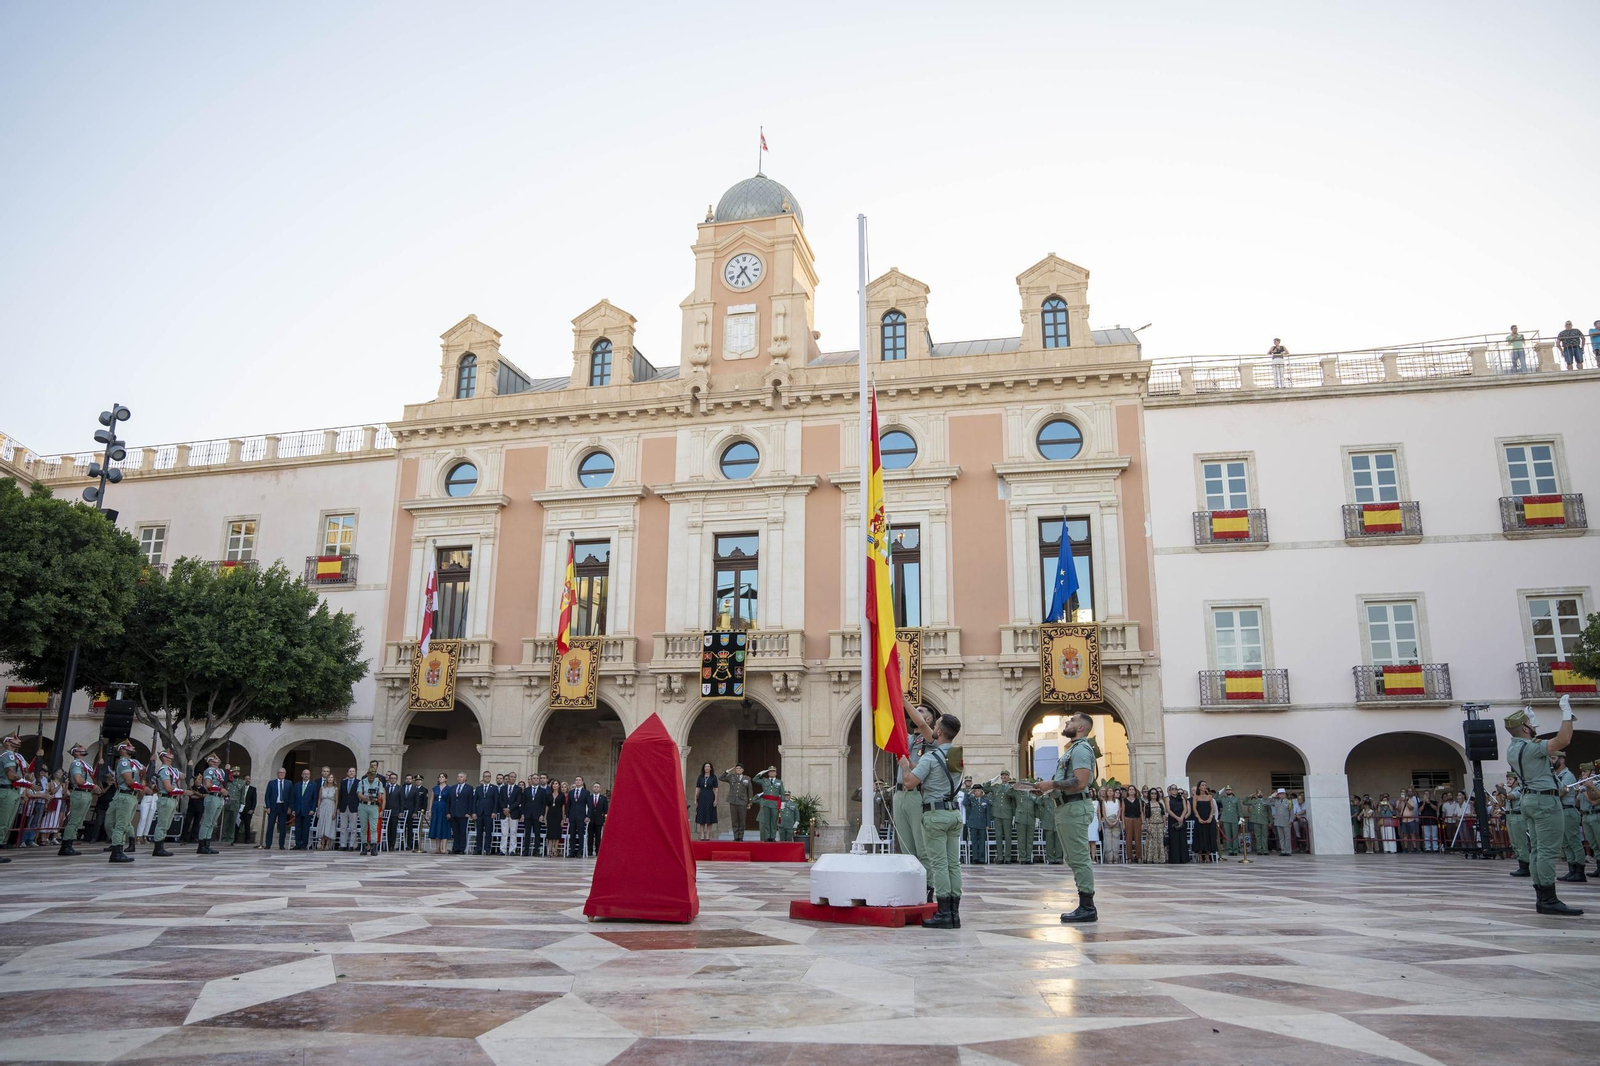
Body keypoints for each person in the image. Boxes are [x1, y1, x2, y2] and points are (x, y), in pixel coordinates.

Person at [1505, 698, 1582, 915]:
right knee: (1547, 851)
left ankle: (1542, 897)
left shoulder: (1513, 748)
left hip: (1529, 800)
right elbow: (1563, 739)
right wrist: (1566, 713)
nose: (1533, 725)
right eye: (1530, 722)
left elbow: (1533, 744)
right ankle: (1549, 900)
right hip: (1545, 801)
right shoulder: (1531, 748)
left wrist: (1533, 726)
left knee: (1538, 850)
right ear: (1524, 727)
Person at [897, 711, 964, 930]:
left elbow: (909, 783)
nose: (933, 728)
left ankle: (943, 912)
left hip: (935, 815)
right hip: (953, 813)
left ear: (940, 731)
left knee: (939, 864)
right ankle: (954, 913)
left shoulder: (929, 757)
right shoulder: (955, 755)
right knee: (953, 864)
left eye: (936, 725)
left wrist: (906, 766)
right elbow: (936, 775)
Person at [1030, 711, 1098, 923]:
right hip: (1066, 807)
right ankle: (1085, 904)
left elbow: (1080, 782)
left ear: (1081, 728)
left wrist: (1051, 784)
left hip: (1074, 807)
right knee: (1074, 858)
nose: (1067, 721)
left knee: (1079, 858)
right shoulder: (1072, 750)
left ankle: (1088, 906)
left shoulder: (1081, 750)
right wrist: (1047, 789)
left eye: (1073, 720)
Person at [103, 740, 143, 864]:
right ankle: (116, 852)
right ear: (123, 749)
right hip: (126, 795)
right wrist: (143, 788)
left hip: (129, 796)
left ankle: (118, 850)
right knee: (120, 825)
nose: (133, 748)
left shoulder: (133, 763)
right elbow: (129, 781)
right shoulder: (125, 762)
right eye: (129, 747)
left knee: (122, 824)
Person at [58, 743, 97, 856]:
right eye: (80, 748)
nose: (83, 748)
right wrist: (93, 786)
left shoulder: (83, 764)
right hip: (80, 793)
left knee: (78, 821)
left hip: (86, 793)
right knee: (74, 820)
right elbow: (78, 779)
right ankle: (66, 846)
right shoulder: (76, 763)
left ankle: (69, 843)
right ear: (75, 752)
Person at [1552, 753, 1585, 882]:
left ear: (1562, 759)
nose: (1551, 761)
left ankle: (1580, 870)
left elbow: (1562, 791)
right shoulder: (1555, 775)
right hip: (1560, 811)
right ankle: (1572, 869)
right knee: (1566, 843)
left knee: (1574, 841)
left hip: (1568, 810)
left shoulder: (1567, 775)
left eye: (1554, 758)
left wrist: (1549, 795)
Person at [147, 750, 186, 857]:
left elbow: (184, 776)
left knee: (166, 824)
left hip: (172, 799)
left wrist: (190, 767)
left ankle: (160, 846)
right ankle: (158, 848)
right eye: (169, 754)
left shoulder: (172, 770)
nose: (172, 754)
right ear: (164, 757)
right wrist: (183, 792)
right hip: (166, 798)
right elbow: (168, 787)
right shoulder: (164, 770)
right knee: (162, 824)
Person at [355, 764, 385, 855]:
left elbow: (380, 794)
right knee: (363, 827)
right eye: (370, 775)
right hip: (363, 805)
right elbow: (359, 793)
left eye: (373, 775)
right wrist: (365, 797)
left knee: (373, 827)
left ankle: (373, 846)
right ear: (367, 774)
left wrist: (376, 797)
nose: (371, 777)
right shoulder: (362, 782)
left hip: (373, 806)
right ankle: (364, 846)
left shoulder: (379, 783)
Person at [988, 771, 1017, 864]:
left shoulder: (1011, 788)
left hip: (1007, 814)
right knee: (998, 836)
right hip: (997, 814)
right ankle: (1000, 857)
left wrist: (1010, 789)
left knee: (1008, 836)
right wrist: (992, 780)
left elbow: (1013, 796)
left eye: (1006, 776)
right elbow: (985, 787)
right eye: (1003, 776)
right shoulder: (996, 787)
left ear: (1009, 777)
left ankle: (1008, 857)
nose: (1004, 777)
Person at [754, 765, 786, 845]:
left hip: (775, 804)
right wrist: (762, 772)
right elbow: (755, 779)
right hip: (766, 803)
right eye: (770, 771)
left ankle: (773, 837)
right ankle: (767, 837)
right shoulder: (764, 781)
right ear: (768, 773)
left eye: (773, 771)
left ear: (776, 773)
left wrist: (782, 803)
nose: (772, 772)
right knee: (767, 821)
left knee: (774, 822)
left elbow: (782, 793)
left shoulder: (779, 782)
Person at [718, 763, 752, 841]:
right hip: (733, 801)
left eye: (740, 768)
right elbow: (720, 778)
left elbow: (750, 791)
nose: (738, 770)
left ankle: (740, 837)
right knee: (735, 820)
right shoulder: (731, 777)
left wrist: (750, 802)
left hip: (742, 801)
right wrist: (727, 771)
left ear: (743, 770)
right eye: (737, 768)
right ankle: (736, 836)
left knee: (742, 820)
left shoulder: (747, 778)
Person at [260, 768, 290, 849]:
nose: (281, 774)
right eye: (280, 772)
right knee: (270, 826)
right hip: (273, 806)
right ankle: (268, 844)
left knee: (282, 827)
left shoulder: (289, 783)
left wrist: (290, 807)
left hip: (283, 807)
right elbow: (267, 796)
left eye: (283, 772)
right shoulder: (271, 783)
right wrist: (268, 806)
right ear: (277, 773)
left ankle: (281, 845)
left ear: (285, 773)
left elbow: (291, 796)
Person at [1505, 772, 1529, 874]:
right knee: (1514, 843)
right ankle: (1521, 865)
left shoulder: (1520, 789)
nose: (1508, 781)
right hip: (1509, 816)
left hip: (1517, 816)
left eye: (1510, 779)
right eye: (1508, 779)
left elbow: (1511, 797)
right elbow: (1502, 803)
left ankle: (1525, 867)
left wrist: (1502, 792)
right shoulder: (1511, 791)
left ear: (1516, 780)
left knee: (1520, 842)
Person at [290, 768, 318, 849]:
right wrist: (293, 809)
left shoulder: (313, 785)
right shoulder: (297, 785)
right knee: (298, 828)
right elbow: (293, 798)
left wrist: (313, 809)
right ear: (302, 775)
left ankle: (304, 845)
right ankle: (298, 844)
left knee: (306, 828)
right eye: (304, 774)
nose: (306, 775)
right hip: (298, 810)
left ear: (310, 775)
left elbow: (314, 798)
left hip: (308, 810)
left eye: (308, 774)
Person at [567, 776, 593, 857]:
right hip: (572, 816)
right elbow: (568, 805)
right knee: (572, 834)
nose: (578, 781)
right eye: (576, 780)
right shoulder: (571, 792)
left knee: (581, 834)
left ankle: (580, 851)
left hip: (581, 816)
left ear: (582, 782)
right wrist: (567, 816)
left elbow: (590, 806)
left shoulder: (586, 792)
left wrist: (588, 816)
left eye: (579, 780)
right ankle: (572, 851)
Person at [965, 783, 991, 864]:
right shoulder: (971, 800)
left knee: (982, 841)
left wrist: (988, 824)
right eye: (975, 791)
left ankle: (982, 858)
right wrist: (969, 793)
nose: (976, 792)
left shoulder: (985, 801)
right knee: (974, 841)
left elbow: (988, 814)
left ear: (981, 792)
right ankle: (975, 858)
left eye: (978, 791)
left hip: (982, 823)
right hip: (973, 823)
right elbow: (965, 803)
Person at [1192, 781, 1218, 862]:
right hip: (1199, 817)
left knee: (1208, 835)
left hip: (1208, 817)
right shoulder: (1196, 797)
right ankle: (1200, 855)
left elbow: (1212, 808)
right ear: (1199, 787)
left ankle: (1207, 855)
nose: (1204, 786)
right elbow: (1194, 808)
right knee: (1200, 835)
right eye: (1202, 785)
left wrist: (1210, 817)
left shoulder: (1209, 796)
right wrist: (1199, 818)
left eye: (1205, 785)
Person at [694, 762, 719, 841]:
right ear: (704, 768)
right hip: (702, 797)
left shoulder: (713, 777)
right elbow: (697, 788)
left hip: (710, 797)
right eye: (705, 766)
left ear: (710, 768)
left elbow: (716, 789)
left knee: (709, 815)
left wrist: (715, 800)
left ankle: (708, 834)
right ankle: (702, 834)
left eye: (708, 766)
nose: (707, 768)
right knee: (701, 815)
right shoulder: (700, 777)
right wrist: (695, 799)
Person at [336, 768, 360, 850]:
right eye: (350, 771)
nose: (351, 773)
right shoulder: (343, 782)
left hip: (353, 807)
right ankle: (343, 845)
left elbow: (359, 796)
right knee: (343, 827)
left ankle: (352, 845)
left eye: (353, 771)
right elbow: (340, 795)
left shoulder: (358, 782)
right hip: (343, 806)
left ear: (355, 773)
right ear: (347, 773)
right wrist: (338, 807)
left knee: (353, 828)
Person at [1216, 785, 1241, 858]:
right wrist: (1221, 791)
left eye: (1229, 790)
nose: (1228, 791)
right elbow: (1215, 798)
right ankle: (1230, 850)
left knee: (1234, 835)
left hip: (1234, 818)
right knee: (1228, 835)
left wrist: (1241, 817)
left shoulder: (1236, 799)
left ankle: (1235, 850)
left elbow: (1239, 809)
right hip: (1226, 818)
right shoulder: (1223, 798)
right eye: (1227, 790)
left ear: (1232, 791)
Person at [222, 766, 244, 845]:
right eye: (234, 772)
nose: (236, 773)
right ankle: (224, 838)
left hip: (235, 804)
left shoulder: (242, 782)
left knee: (232, 822)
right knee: (225, 822)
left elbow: (242, 794)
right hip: (227, 802)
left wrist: (242, 804)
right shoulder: (228, 781)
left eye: (238, 772)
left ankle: (230, 839)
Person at [1122, 784, 1143, 863]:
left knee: (1138, 839)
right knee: (1129, 839)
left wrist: (1142, 823)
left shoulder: (1139, 800)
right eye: (1130, 789)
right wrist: (1124, 824)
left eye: (1133, 789)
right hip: (1128, 819)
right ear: (1128, 791)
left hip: (1137, 819)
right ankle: (1129, 857)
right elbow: (1123, 813)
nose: (1131, 791)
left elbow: (1141, 812)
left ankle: (1139, 856)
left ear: (1135, 791)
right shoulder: (1125, 800)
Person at [317, 770, 338, 850]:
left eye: (331, 777)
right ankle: (322, 842)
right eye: (329, 777)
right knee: (322, 823)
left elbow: (336, 800)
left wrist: (335, 811)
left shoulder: (335, 788)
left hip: (331, 806)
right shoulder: (322, 788)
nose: (330, 779)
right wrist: (318, 810)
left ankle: (328, 843)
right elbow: (319, 799)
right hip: (323, 806)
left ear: (333, 779)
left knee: (329, 824)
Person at [1270, 788, 1294, 855]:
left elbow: (1291, 813)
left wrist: (1291, 821)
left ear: (1285, 794)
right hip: (1278, 821)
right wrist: (1272, 796)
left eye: (1282, 794)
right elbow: (1267, 803)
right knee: (1281, 837)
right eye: (1280, 794)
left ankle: (1288, 851)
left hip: (1286, 821)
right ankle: (1283, 850)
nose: (1281, 795)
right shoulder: (1276, 801)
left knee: (1287, 837)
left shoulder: (1289, 802)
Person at [588, 782, 608, 855]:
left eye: (597, 787)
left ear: (600, 789)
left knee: (598, 836)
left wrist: (603, 818)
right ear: (593, 788)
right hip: (590, 819)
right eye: (595, 787)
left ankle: (597, 851)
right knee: (590, 836)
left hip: (599, 819)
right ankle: (589, 851)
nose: (596, 788)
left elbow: (605, 809)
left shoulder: (603, 798)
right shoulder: (589, 797)